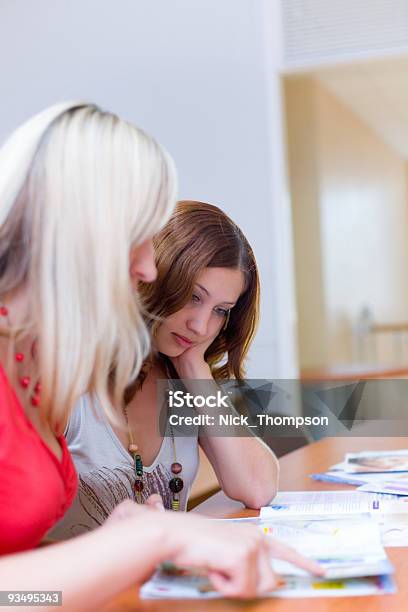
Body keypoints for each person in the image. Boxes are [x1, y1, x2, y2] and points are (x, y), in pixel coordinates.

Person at [0, 102, 323, 607]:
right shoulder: (55, 370)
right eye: (138, 235)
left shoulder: (33, 361)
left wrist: (126, 543)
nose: (148, 268)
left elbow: (24, 590)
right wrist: (145, 541)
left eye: (220, 310)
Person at [53, 200, 280, 538]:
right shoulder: (67, 375)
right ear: (154, 279)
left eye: (221, 310)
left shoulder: (181, 379)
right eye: (193, 296)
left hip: (158, 585)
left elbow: (258, 488)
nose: (201, 326)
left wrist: (192, 365)